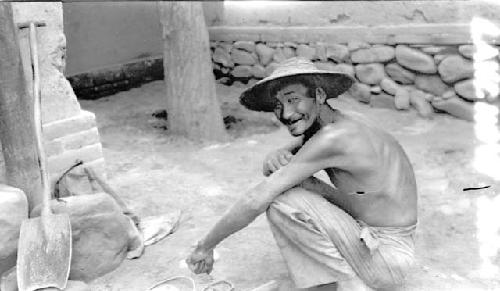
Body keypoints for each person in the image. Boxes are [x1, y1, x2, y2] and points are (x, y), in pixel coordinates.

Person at [186, 57, 418, 291]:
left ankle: (331, 287)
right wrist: (278, 153)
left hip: (386, 256)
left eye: (293, 100)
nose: (286, 113)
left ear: (318, 96)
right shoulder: (343, 124)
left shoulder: (333, 139)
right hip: (391, 246)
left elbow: (255, 199)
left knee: (282, 201)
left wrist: (205, 246)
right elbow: (287, 158)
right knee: (297, 186)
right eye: (277, 105)